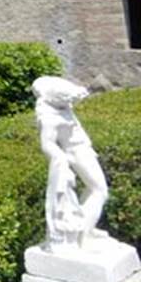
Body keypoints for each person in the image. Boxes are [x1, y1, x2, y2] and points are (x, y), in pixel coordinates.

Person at [32, 75, 109, 250]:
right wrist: (60, 159)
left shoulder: (61, 107)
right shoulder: (50, 118)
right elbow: (47, 144)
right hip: (76, 153)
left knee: (93, 189)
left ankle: (85, 226)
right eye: (68, 99)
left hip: (84, 149)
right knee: (100, 191)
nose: (71, 102)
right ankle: (84, 235)